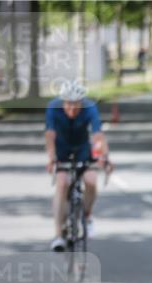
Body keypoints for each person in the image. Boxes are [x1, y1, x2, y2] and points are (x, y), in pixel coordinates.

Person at [44, 80, 108, 251]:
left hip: (82, 148)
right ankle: (58, 235)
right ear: (62, 102)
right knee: (62, 183)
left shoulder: (90, 108)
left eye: (76, 105)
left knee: (92, 180)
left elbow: (97, 134)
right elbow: (50, 134)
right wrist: (51, 158)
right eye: (68, 105)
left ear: (82, 103)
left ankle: (86, 215)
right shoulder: (53, 107)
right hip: (62, 148)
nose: (72, 109)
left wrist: (103, 156)